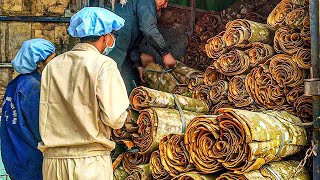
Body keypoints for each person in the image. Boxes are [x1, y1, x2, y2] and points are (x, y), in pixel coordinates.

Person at [38, 7, 129, 180]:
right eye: (112, 36)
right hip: (89, 164)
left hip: (53, 163)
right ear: (106, 36)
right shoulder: (103, 65)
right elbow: (115, 118)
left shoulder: (52, 66)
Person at [0, 38, 56, 180]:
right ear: (38, 63)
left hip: (14, 159)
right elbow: (42, 130)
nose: (55, 65)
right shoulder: (34, 89)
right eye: (52, 60)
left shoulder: (15, 84)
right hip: (31, 163)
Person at [108, 0, 177, 93]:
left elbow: (133, 45)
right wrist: (165, 53)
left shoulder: (138, 8)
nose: (165, 5)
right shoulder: (147, 1)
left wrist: (138, 65)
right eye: (165, 1)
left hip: (120, 48)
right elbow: (148, 29)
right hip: (115, 48)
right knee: (110, 81)